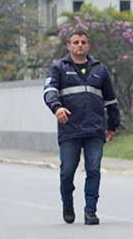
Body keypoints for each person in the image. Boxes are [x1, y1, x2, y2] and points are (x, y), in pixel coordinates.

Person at [43, 31, 121, 225]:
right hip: (70, 130)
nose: (80, 45)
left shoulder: (100, 70)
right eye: (75, 42)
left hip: (94, 130)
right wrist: (57, 107)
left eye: (83, 42)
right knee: (67, 172)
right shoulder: (58, 68)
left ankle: (90, 211)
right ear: (68, 46)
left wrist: (112, 125)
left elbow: (111, 100)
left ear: (88, 45)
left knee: (93, 170)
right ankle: (67, 204)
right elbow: (49, 91)